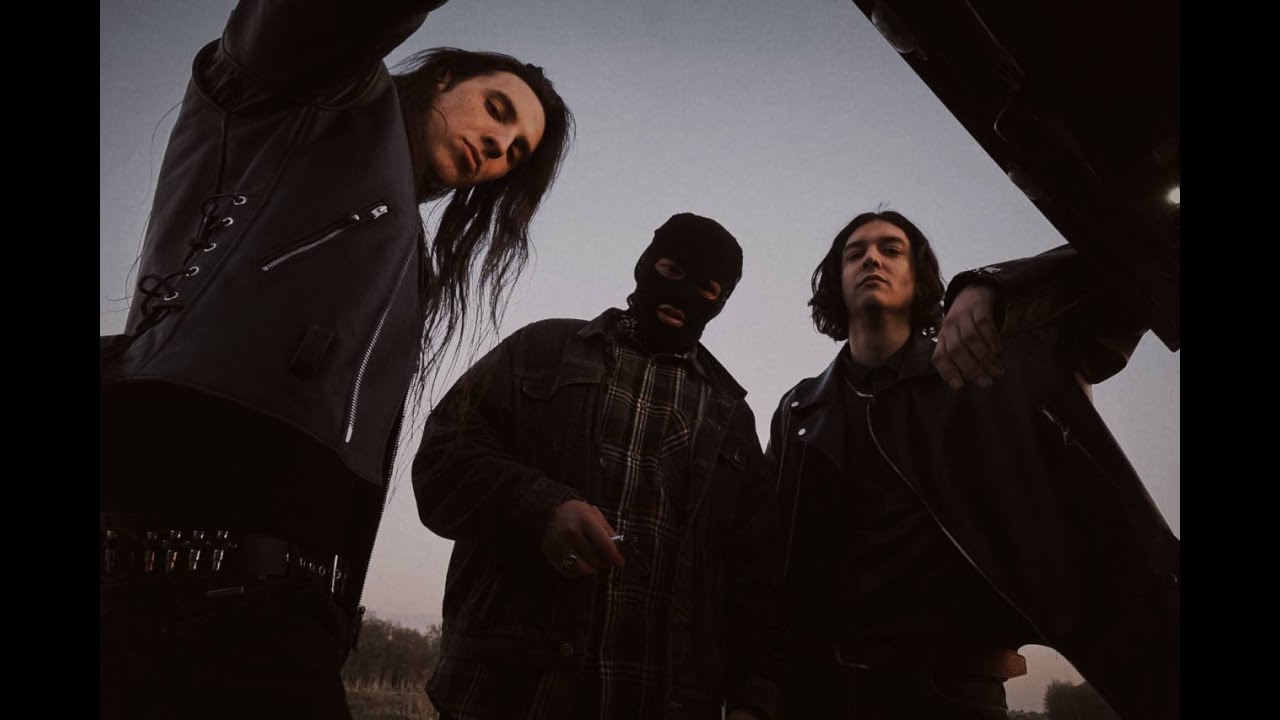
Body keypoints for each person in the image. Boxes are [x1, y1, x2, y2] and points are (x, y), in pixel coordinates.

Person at [99, 2, 574, 718]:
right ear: (443, 78)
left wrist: (335, 612)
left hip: (285, 605)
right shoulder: (308, 95)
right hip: (167, 566)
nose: (497, 144)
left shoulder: (407, 263)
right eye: (496, 110)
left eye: (515, 151)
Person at [768, 210, 1179, 719]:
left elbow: (1145, 253)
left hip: (955, 691)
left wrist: (997, 288)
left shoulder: (992, 361)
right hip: (821, 694)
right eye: (855, 253)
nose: (872, 258)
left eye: (891, 250)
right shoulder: (800, 411)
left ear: (920, 280)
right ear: (836, 280)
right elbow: (768, 560)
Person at [413, 213, 787, 720]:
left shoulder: (731, 417)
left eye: (706, 288)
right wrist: (541, 508)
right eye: (672, 270)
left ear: (721, 301)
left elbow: (754, 575)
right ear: (645, 264)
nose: (682, 294)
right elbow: (441, 459)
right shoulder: (540, 350)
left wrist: (752, 701)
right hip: (508, 695)